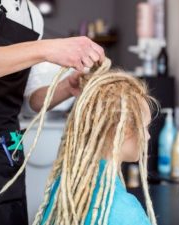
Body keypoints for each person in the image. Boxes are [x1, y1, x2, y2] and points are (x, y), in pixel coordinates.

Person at [0, 0, 105, 225]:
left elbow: (28, 101)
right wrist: (46, 49)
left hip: (7, 153)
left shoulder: (33, 15)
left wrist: (68, 87)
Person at [33, 69, 158, 225]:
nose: (148, 136)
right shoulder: (126, 213)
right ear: (124, 131)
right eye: (145, 128)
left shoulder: (64, 188)